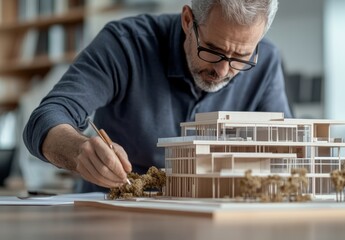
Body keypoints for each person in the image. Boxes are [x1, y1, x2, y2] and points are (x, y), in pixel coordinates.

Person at [23, 0, 292, 193]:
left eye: (241, 57)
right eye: (212, 49)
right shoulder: (126, 44)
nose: (222, 70)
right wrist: (78, 149)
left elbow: (286, 153)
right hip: (113, 219)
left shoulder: (266, 62)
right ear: (188, 20)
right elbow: (45, 119)